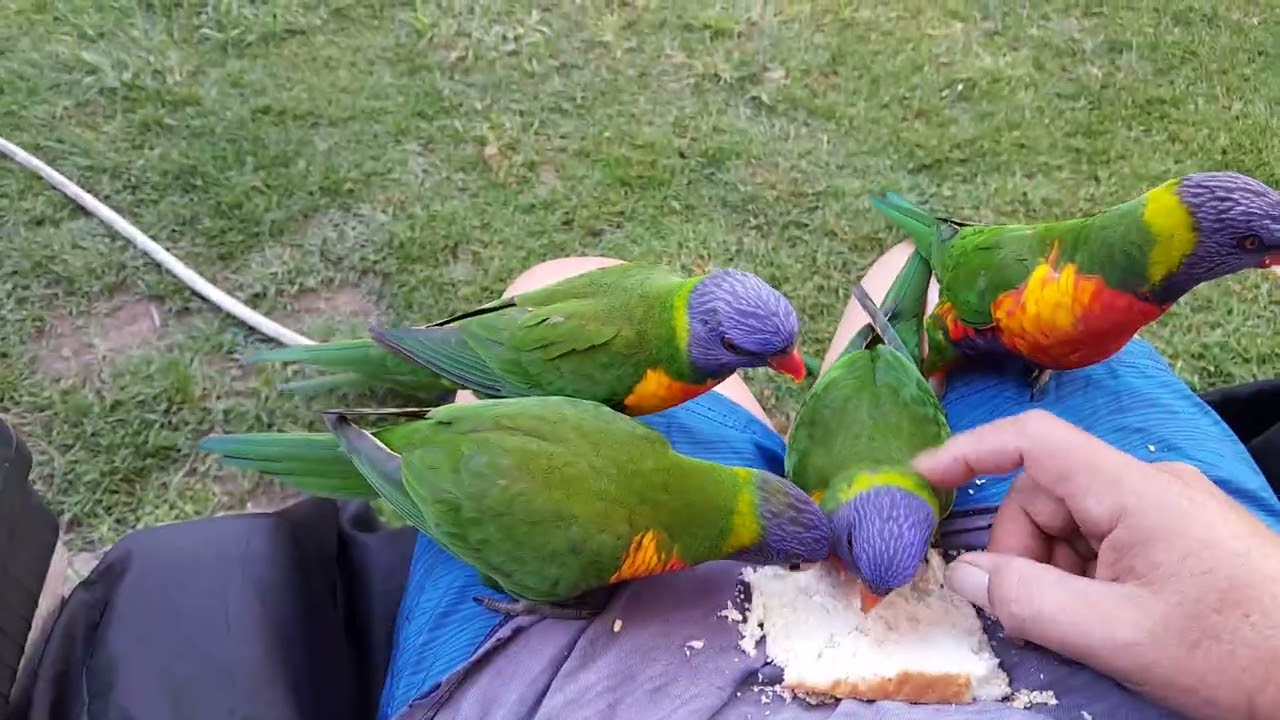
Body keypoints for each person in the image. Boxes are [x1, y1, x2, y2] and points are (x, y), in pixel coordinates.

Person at [10, 245, 1280, 720]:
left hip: (589, 638)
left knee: (576, 283)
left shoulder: (619, 546)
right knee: (917, 281)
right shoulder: (647, 384)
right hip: (1162, 602)